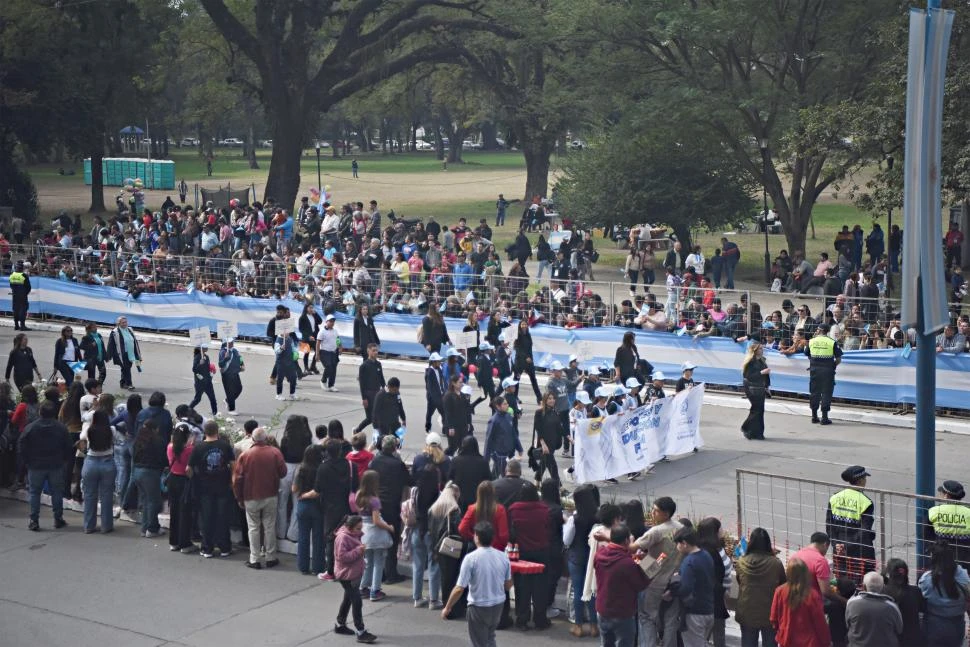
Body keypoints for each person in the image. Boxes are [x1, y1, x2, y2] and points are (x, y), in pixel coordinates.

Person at [442, 521, 513, 647]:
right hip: (498, 604)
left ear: (477, 537)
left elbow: (459, 588)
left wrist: (448, 607)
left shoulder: (471, 558)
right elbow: (508, 585)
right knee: (490, 637)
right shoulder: (503, 557)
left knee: (478, 642)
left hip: (478, 606)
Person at [632, 496, 684, 647]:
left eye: (656, 511)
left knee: (647, 617)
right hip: (673, 580)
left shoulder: (656, 531)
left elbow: (632, 548)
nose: (652, 513)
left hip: (654, 581)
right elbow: (663, 558)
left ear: (666, 514)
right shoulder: (680, 528)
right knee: (670, 620)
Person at [233, 427, 287, 569]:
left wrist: (239, 497)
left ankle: (254, 558)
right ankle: (270, 557)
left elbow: (237, 479)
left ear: (253, 439)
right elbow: (283, 472)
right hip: (270, 494)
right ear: (265, 439)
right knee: (269, 526)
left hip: (251, 496)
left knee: (253, 527)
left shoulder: (245, 456)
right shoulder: (275, 452)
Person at [20, 399, 73, 531]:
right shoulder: (61, 428)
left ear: (40, 412)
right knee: (57, 492)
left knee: (34, 493)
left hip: (36, 465)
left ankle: (34, 520)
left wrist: (27, 462)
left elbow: (22, 446)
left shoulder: (31, 428)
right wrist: (64, 460)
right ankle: (58, 518)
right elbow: (68, 446)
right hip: (56, 464)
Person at [594, 523, 650, 646]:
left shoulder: (600, 554)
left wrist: (632, 557)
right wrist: (649, 564)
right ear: (626, 540)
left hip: (602, 609)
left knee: (606, 643)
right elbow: (640, 585)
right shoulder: (627, 563)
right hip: (622, 612)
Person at [508, 482, 551, 630]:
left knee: (522, 588)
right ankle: (540, 619)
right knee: (540, 587)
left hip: (523, 552)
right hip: (542, 551)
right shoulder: (544, 509)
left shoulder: (514, 510)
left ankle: (522, 620)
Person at [368, 435, 411, 585]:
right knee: (392, 539)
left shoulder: (375, 461)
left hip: (377, 503)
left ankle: (379, 573)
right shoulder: (397, 464)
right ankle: (391, 572)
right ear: (394, 448)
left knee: (378, 537)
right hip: (392, 503)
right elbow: (408, 480)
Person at [188, 420, 235, 557]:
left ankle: (207, 547)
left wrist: (193, 478)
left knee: (207, 518)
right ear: (217, 431)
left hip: (204, 488)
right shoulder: (225, 446)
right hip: (222, 486)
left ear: (205, 432)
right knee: (222, 517)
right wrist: (232, 481)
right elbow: (233, 465)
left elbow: (189, 469)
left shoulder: (199, 447)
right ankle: (225, 547)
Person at [314, 438, 358, 581]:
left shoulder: (323, 467)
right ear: (340, 451)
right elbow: (355, 486)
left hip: (330, 508)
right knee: (350, 537)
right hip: (348, 506)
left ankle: (331, 570)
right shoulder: (351, 466)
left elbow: (318, 489)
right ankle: (348, 568)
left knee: (331, 539)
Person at [735, 527, 786, 647]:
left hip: (747, 612)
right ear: (768, 543)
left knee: (748, 642)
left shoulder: (741, 562)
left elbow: (739, 581)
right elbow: (783, 585)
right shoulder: (776, 563)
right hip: (770, 613)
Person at [826, 465, 876, 585]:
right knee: (862, 582)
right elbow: (865, 530)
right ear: (860, 481)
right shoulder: (865, 502)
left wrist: (836, 544)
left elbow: (829, 526)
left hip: (839, 548)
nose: (865, 481)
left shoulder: (835, 497)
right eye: (864, 478)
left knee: (842, 581)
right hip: (859, 550)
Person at [333, 515, 379, 643]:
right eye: (358, 529)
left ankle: (340, 624)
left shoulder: (352, 535)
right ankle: (361, 631)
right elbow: (342, 557)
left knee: (348, 599)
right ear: (349, 527)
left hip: (352, 573)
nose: (360, 531)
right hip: (346, 575)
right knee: (357, 602)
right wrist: (358, 551)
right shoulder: (342, 538)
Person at [353, 469, 396, 601]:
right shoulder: (374, 500)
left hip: (364, 532)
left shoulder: (359, 495)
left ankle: (363, 588)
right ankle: (375, 590)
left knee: (368, 562)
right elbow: (376, 520)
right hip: (375, 534)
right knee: (378, 562)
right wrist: (389, 527)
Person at [564, 483, 601, 637]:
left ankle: (578, 625)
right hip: (593, 557)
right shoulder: (598, 517)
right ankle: (594, 626)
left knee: (578, 590)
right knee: (592, 590)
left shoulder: (574, 519)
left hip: (576, 557)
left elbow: (567, 540)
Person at [769, 558, 831, 647]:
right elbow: (820, 622)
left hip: (786, 641)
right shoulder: (813, 594)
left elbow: (773, 619)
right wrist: (826, 642)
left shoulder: (779, 591)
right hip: (810, 642)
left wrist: (782, 631)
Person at [918, 542, 969, 646]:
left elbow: (920, 603)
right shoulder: (964, 577)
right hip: (956, 626)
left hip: (933, 626)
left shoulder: (926, 580)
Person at [672, 526, 715, 647]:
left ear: (684, 543)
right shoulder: (706, 555)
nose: (677, 547)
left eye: (678, 544)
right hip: (709, 609)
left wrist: (672, 592)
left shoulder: (689, 561)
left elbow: (685, 588)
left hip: (694, 613)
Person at [845, 571, 903, 647]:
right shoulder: (892, 607)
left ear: (864, 587)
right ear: (882, 587)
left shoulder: (851, 603)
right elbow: (899, 630)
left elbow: (848, 625)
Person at [292, 445, 325, 575]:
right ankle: (318, 566)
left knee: (303, 536)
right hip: (318, 505)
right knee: (318, 538)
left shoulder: (301, 468)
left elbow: (294, 489)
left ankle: (303, 566)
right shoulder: (321, 469)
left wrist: (302, 494)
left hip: (302, 504)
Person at [278, 415, 313, 542]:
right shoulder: (306, 437)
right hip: (300, 467)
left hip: (287, 468)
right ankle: (293, 533)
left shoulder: (285, 438)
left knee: (282, 501)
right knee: (297, 501)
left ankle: (280, 531)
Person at [131, 419, 167, 538]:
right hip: (150, 473)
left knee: (145, 500)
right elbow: (163, 459)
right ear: (155, 429)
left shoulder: (138, 440)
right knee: (153, 501)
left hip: (137, 472)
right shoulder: (158, 441)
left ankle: (146, 527)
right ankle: (151, 529)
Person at [165, 422, 195, 552]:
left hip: (173, 479)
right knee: (185, 512)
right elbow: (190, 469)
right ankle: (185, 543)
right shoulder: (190, 450)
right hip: (184, 481)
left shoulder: (170, 447)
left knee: (174, 510)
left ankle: (174, 541)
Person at [928, 479, 970, 570]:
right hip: (965, 560)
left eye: (941, 493)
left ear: (946, 496)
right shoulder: (968, 512)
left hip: (941, 559)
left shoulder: (934, 511)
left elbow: (927, 534)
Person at [882, 558, 925, 647]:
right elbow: (923, 610)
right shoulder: (915, 591)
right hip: (913, 640)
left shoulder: (883, 593)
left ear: (889, 574)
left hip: (891, 640)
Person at [805, 323, 842, 424]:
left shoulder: (811, 341)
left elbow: (807, 354)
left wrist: (814, 363)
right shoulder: (832, 342)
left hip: (814, 371)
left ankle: (814, 416)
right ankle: (824, 418)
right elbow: (838, 359)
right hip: (828, 371)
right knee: (826, 392)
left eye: (817, 329)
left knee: (814, 392)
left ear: (820, 330)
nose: (816, 331)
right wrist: (832, 366)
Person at [448, 435, 492, 511]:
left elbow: (449, 479)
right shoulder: (483, 462)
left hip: (460, 500)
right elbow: (489, 480)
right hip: (478, 499)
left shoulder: (456, 461)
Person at [484, 396, 522, 479]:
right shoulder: (494, 421)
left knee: (495, 475)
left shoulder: (508, 417)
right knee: (507, 477)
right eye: (505, 404)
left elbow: (513, 433)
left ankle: (490, 487)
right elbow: (488, 439)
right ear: (498, 406)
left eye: (507, 403)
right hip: (499, 454)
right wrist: (486, 459)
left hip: (508, 452)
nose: (507, 405)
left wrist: (519, 448)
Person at [741, 343, 771, 440]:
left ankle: (757, 433)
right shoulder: (750, 362)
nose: (762, 350)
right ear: (755, 350)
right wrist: (761, 372)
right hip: (752, 388)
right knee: (756, 409)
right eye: (760, 349)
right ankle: (746, 428)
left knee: (759, 410)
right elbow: (748, 376)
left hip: (760, 388)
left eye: (762, 348)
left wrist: (767, 387)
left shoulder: (762, 360)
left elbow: (766, 376)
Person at [531, 392, 562, 486]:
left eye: (553, 398)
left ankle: (536, 482)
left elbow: (558, 428)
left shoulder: (555, 411)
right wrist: (543, 445)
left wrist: (567, 436)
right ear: (545, 400)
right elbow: (538, 429)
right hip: (544, 443)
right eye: (549, 398)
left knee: (544, 463)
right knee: (553, 466)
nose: (552, 400)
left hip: (552, 443)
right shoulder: (539, 412)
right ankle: (559, 487)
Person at [355, 343, 385, 434]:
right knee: (370, 418)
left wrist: (386, 391)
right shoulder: (364, 366)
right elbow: (362, 384)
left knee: (378, 416)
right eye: (373, 350)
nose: (376, 352)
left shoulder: (378, 364)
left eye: (376, 350)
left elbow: (382, 379)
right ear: (368, 351)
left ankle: (380, 435)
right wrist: (364, 398)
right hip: (368, 394)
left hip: (377, 393)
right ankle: (357, 430)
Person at [106, 316, 141, 390]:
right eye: (123, 322)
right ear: (119, 323)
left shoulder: (130, 329)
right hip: (122, 354)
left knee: (125, 369)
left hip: (131, 353)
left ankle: (122, 383)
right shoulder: (115, 332)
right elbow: (111, 344)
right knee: (126, 368)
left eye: (126, 322)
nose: (125, 324)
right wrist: (108, 356)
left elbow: (134, 341)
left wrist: (137, 353)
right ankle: (129, 384)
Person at [512, 320, 543, 403]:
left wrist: (530, 359)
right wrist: (526, 357)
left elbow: (530, 349)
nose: (524, 326)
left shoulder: (528, 335)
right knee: (516, 380)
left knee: (534, 380)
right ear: (520, 326)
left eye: (525, 324)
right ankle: (515, 397)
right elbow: (517, 349)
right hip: (519, 362)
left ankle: (539, 398)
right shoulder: (517, 335)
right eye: (522, 324)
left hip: (529, 362)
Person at [372, 377, 406, 444]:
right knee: (384, 444)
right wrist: (375, 427)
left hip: (395, 422)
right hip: (383, 424)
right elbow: (375, 411)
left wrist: (403, 418)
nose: (396, 392)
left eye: (397, 389)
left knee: (399, 440)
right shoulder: (380, 395)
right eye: (395, 390)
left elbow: (400, 405)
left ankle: (396, 453)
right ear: (389, 387)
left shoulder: (397, 393)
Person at [188, 346, 218, 416]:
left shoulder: (206, 357)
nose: (207, 347)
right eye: (205, 346)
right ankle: (187, 410)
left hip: (208, 381)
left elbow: (207, 368)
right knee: (197, 399)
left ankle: (215, 413)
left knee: (212, 398)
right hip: (200, 383)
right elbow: (194, 369)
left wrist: (211, 371)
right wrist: (200, 364)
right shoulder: (197, 357)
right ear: (200, 348)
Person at [217, 338, 243, 414]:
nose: (232, 342)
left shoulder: (234, 350)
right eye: (230, 342)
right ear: (226, 343)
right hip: (227, 374)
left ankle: (227, 400)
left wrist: (242, 364)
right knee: (230, 392)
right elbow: (220, 364)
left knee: (239, 389)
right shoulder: (223, 352)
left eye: (232, 341)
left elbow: (240, 358)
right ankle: (231, 409)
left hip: (235, 373)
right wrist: (225, 358)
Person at [274, 329, 300, 401]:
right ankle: (278, 395)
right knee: (280, 379)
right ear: (281, 332)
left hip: (290, 362)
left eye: (288, 332)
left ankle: (292, 394)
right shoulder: (278, 340)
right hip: (281, 363)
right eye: (286, 332)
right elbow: (276, 351)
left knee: (293, 377)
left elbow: (293, 347)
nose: (288, 333)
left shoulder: (289, 339)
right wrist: (281, 348)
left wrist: (296, 352)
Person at [316, 314, 340, 392]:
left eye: (333, 321)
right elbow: (318, 343)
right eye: (330, 321)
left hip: (334, 352)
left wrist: (340, 347)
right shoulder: (322, 331)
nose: (332, 323)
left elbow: (338, 340)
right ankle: (323, 380)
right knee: (329, 367)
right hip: (324, 352)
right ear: (326, 322)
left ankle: (331, 385)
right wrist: (317, 354)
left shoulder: (335, 331)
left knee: (333, 369)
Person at [425, 352, 446, 432]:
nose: (440, 362)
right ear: (433, 362)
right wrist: (436, 399)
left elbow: (441, 382)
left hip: (440, 396)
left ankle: (445, 429)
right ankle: (428, 428)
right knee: (429, 414)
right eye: (438, 361)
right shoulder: (429, 372)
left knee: (444, 413)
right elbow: (430, 387)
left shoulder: (439, 370)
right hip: (432, 398)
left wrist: (443, 392)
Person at [9, 260, 31, 330]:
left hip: (14, 294)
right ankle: (22, 326)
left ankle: (16, 325)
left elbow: (11, 285)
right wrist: (25, 293)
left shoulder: (12, 275)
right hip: (22, 295)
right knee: (23, 309)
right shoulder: (24, 275)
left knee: (15, 309)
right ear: (22, 268)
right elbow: (28, 287)